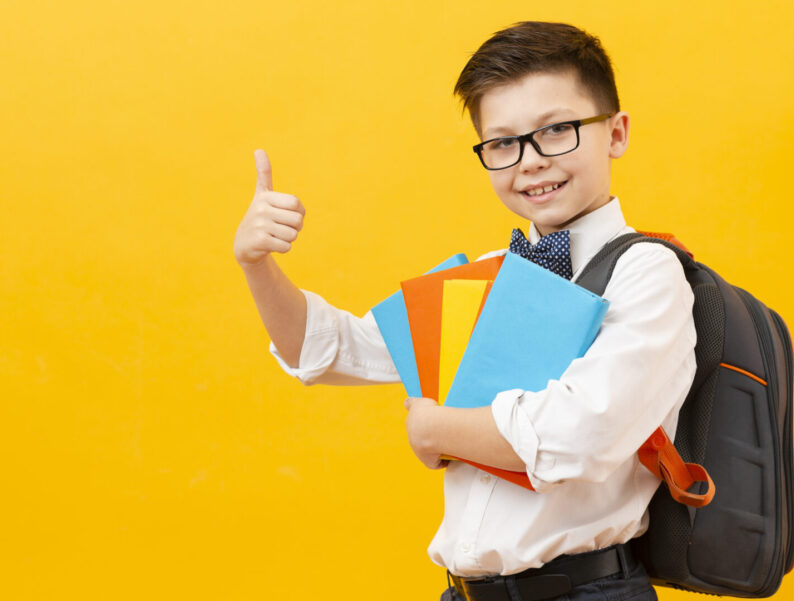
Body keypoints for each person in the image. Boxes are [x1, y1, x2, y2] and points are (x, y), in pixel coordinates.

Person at [233, 21, 696, 601]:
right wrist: (257, 265)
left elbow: (580, 434)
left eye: (557, 130)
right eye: (502, 143)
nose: (530, 161)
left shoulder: (648, 271)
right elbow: (332, 351)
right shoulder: (486, 275)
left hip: (587, 591)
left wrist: (434, 428)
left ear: (616, 132)